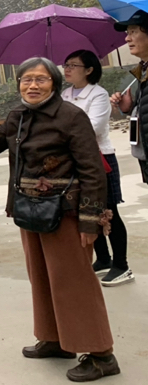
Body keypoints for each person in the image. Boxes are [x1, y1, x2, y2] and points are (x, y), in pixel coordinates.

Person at [0, 57, 118, 382]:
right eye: (26, 79)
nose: (32, 85)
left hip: (66, 212)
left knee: (73, 282)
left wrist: (90, 220)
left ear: (54, 85)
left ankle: (102, 354)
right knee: (42, 277)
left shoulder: (71, 117)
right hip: (29, 209)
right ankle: (56, 339)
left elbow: (92, 171)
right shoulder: (17, 116)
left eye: (41, 79)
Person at [63, 50, 133, 286]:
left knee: (108, 211)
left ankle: (121, 265)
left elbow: (93, 127)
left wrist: (63, 133)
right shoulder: (64, 95)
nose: (67, 69)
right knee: (87, 210)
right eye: (66, 64)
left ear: (89, 69)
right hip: (75, 159)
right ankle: (103, 258)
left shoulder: (98, 94)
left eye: (73, 65)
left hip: (100, 158)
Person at [111, 10, 148, 181]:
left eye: (133, 32)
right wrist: (131, 108)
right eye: (127, 33)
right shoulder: (143, 71)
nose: (127, 38)